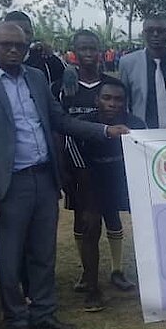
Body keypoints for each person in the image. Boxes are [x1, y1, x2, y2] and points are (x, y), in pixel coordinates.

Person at [0, 22, 130, 329]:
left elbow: (60, 120)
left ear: (27, 47)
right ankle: (16, 319)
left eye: (20, 45)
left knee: (43, 251)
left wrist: (105, 131)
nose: (14, 50)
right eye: (6, 44)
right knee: (10, 256)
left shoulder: (36, 78)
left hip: (44, 177)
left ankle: (44, 313)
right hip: (8, 185)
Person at [69, 78, 146, 312]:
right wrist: (85, 194)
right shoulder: (83, 125)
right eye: (107, 98)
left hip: (122, 180)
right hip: (89, 180)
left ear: (125, 103)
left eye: (118, 99)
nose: (113, 104)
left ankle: (123, 273)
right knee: (91, 225)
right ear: (97, 100)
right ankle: (92, 287)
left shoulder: (136, 125)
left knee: (140, 223)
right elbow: (75, 159)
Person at [56, 29, 115, 291]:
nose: (89, 53)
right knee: (82, 216)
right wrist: (61, 163)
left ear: (101, 51)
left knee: (112, 214)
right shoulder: (62, 87)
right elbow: (57, 126)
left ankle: (117, 270)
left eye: (93, 48)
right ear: (74, 52)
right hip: (75, 164)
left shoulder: (111, 85)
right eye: (83, 49)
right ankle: (86, 272)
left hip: (108, 163)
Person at [118, 15, 166, 129]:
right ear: (143, 34)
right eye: (150, 31)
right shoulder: (127, 63)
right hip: (142, 131)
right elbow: (124, 100)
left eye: (160, 31)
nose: (155, 34)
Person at [3, 11, 68, 87]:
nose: (22, 36)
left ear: (32, 33)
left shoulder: (48, 60)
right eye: (16, 31)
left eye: (27, 32)